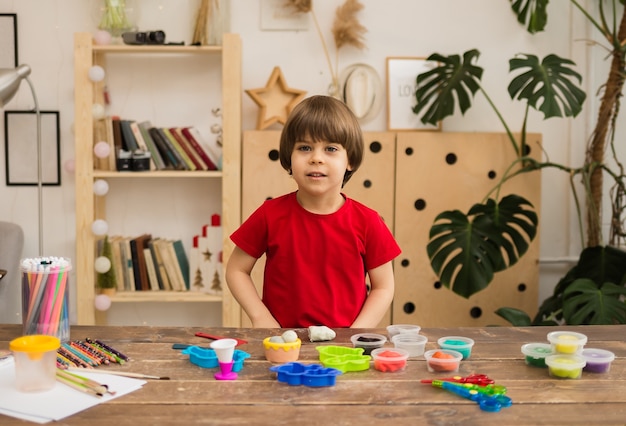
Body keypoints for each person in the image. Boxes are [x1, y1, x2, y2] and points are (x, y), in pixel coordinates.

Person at [226, 95, 401, 328]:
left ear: (350, 160)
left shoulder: (368, 221)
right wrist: (261, 317)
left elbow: (384, 287)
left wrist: (356, 333)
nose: (316, 158)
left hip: (344, 351)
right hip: (283, 345)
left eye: (330, 148)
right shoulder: (269, 215)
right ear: (289, 157)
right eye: (305, 148)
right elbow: (236, 270)